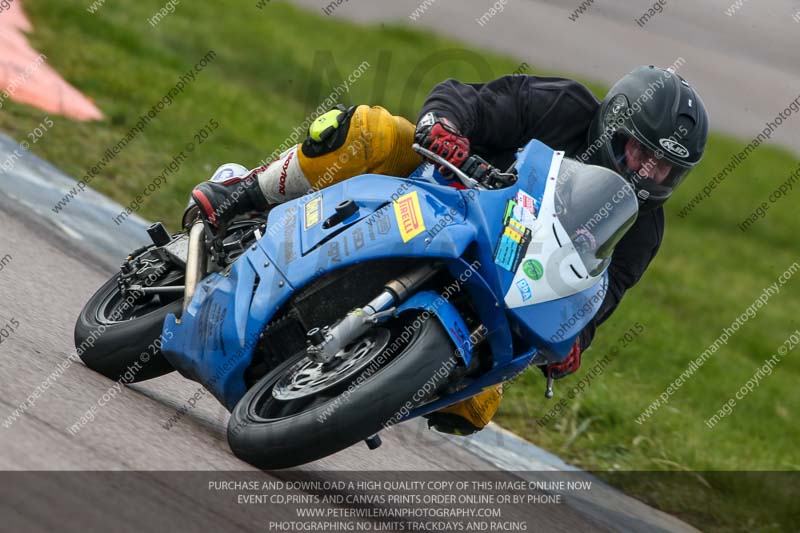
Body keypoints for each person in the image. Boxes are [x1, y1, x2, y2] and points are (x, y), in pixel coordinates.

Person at [186, 65, 709, 434]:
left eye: (664, 167)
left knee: (478, 405)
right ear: (615, 122)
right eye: (642, 151)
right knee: (371, 131)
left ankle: (363, 393)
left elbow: (598, 297)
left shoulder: (643, 228)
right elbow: (472, 100)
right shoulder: (564, 106)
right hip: (438, 190)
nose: (647, 171)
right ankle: (244, 192)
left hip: (496, 280)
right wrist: (446, 127)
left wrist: (575, 344)